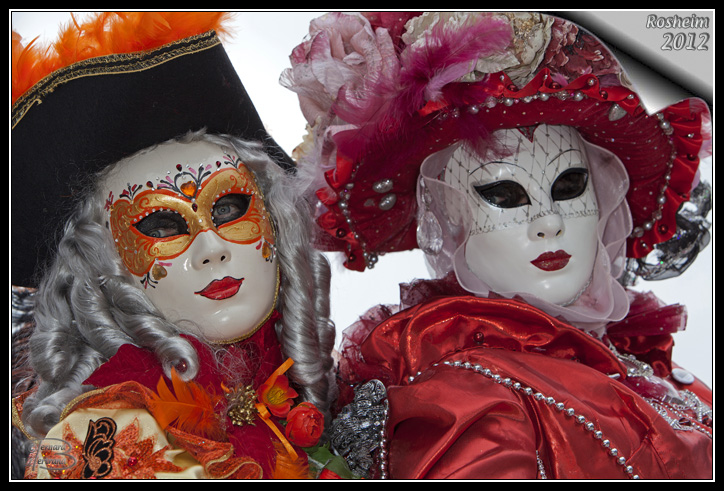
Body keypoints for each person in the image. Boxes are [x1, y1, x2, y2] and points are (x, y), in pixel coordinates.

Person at [283, 12, 712, 479]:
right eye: (503, 195)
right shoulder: (468, 400)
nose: (548, 223)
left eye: (570, 186)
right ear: (447, 217)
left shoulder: (636, 354)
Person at [11, 12, 340, 479]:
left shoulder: (320, 392)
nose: (211, 249)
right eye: (163, 226)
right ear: (103, 266)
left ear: (276, 221)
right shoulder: (103, 444)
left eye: (228, 208)